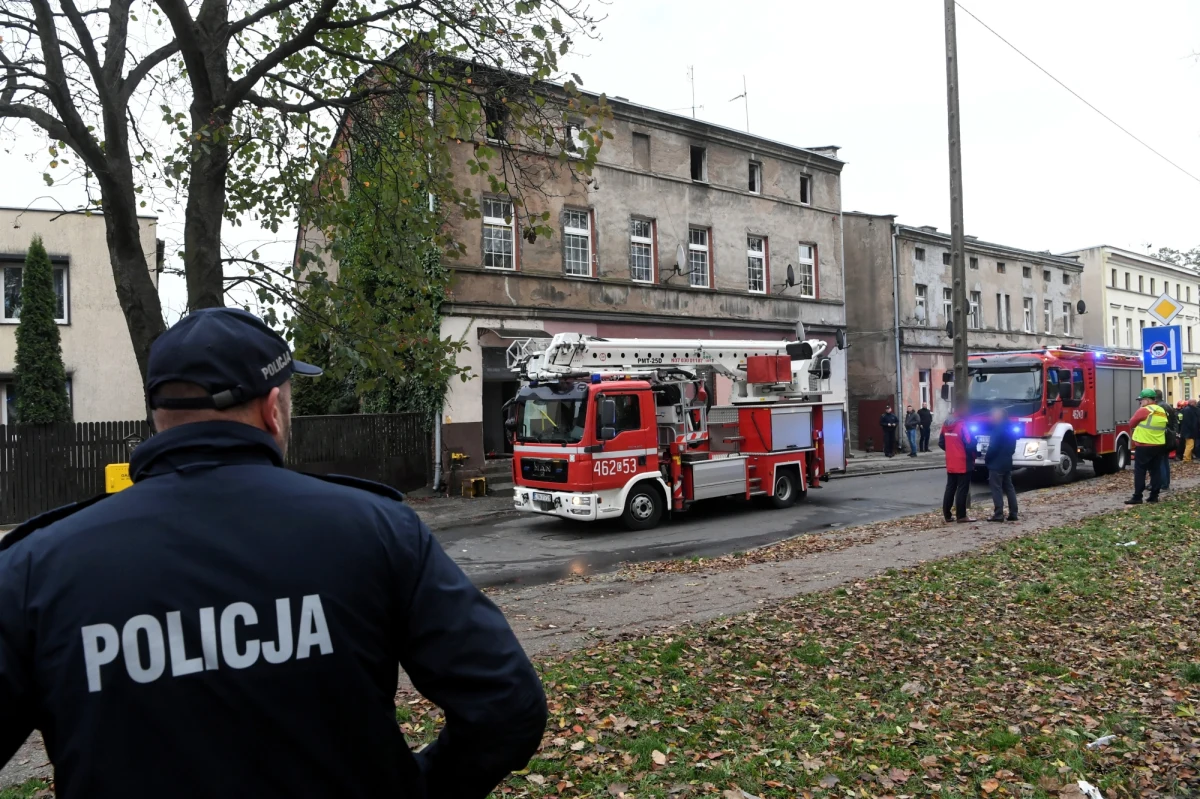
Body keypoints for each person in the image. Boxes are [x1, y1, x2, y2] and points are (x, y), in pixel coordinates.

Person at [0, 308, 548, 798]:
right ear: (272, 411)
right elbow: (507, 705)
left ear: (159, 414)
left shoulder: (34, 568)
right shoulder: (375, 529)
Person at [1126, 387, 1169, 505]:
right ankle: (1154, 496)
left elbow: (1131, 423)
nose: (1140, 402)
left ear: (1148, 400)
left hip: (1144, 445)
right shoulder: (1161, 410)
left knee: (1140, 471)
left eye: (1141, 400)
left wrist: (1140, 409)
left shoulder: (1144, 410)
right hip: (1158, 444)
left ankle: (1137, 497)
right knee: (1155, 471)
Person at [939, 412, 978, 523]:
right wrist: (975, 453)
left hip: (951, 461)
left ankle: (947, 515)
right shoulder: (962, 425)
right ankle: (961, 516)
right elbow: (970, 445)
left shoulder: (945, 425)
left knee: (950, 488)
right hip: (963, 462)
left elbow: (941, 442)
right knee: (962, 489)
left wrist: (951, 451)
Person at [983, 407, 1018, 522]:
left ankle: (998, 514)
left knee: (996, 488)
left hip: (996, 464)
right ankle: (1013, 513)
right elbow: (1013, 447)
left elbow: (992, 447)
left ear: (999, 417)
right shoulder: (1010, 428)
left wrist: (987, 459)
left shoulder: (997, 429)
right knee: (1009, 488)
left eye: (993, 416)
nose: (991, 418)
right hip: (1007, 462)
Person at [1156, 389, 1176, 490]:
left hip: (1162, 436)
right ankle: (1166, 482)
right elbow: (1174, 421)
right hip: (1169, 436)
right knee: (1165, 461)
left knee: (1160, 462)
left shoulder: (1159, 407)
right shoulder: (1168, 406)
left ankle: (1163, 484)